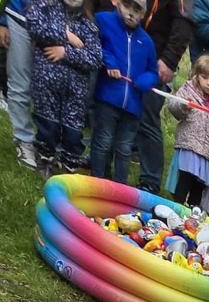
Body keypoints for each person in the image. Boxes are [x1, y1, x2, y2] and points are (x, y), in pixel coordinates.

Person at [27, 0, 104, 176]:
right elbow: (35, 26)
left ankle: (68, 166)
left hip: (76, 90)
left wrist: (66, 53)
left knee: (73, 132)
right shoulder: (46, 9)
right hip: (46, 81)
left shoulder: (88, 25)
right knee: (48, 124)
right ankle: (45, 157)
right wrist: (66, 34)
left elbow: (95, 58)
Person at [89, 0, 160, 182]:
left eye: (137, 10)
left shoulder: (147, 41)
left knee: (124, 148)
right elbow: (94, 45)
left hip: (133, 107)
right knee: (103, 141)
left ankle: (120, 187)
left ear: (143, 14)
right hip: (107, 98)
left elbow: (153, 72)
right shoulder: (103, 20)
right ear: (118, 3)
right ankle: (97, 180)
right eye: (127, 6)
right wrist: (109, 62)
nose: (131, 13)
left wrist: (146, 80)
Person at [137, 0, 195, 192]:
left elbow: (184, 24)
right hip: (134, 51)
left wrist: (169, 60)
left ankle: (151, 180)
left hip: (157, 60)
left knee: (148, 118)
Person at [165, 56, 209, 207]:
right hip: (189, 147)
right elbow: (173, 106)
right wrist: (183, 106)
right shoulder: (188, 90)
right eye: (204, 77)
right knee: (183, 181)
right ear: (197, 75)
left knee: (198, 189)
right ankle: (176, 209)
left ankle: (192, 214)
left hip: (208, 155)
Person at [0, 1, 39, 170]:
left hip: (56, 24)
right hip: (18, 16)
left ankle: (47, 145)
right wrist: (1, 21)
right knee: (20, 83)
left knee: (49, 88)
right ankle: (24, 140)